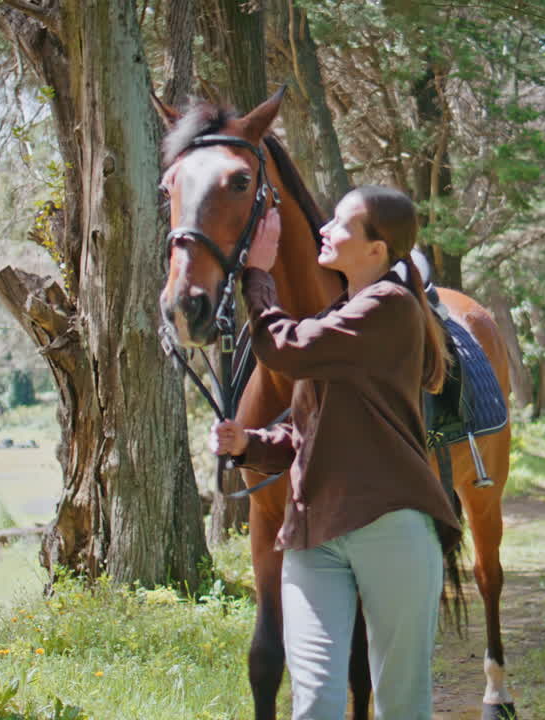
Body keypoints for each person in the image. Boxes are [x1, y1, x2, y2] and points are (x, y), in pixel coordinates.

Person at [209, 185, 459, 720]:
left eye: (342, 224)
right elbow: (309, 436)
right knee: (315, 701)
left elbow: (285, 348)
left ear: (376, 248)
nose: (325, 228)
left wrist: (258, 275)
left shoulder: (390, 305)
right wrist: (248, 444)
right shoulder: (342, 311)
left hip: (390, 529)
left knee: (400, 704)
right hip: (312, 534)